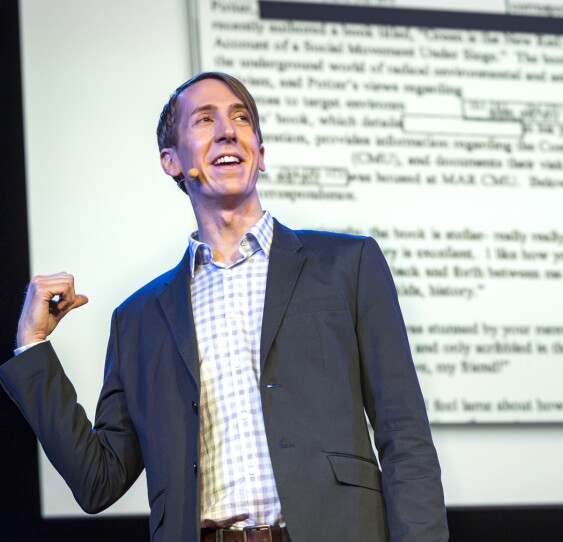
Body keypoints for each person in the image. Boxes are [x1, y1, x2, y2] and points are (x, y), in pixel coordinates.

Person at [1, 72, 448, 542]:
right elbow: (99, 481)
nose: (228, 130)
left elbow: (406, 438)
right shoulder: (138, 320)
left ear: (260, 151)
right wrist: (32, 347)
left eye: (241, 118)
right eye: (205, 119)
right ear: (171, 162)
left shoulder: (347, 266)